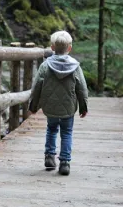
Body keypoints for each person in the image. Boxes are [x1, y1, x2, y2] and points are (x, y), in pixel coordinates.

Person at [29, 30, 89, 175]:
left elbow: (36, 86)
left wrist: (33, 105)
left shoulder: (45, 66)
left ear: (52, 47)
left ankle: (49, 156)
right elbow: (82, 88)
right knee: (67, 133)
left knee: (51, 129)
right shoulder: (76, 67)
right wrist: (83, 106)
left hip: (50, 106)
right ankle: (65, 163)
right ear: (69, 48)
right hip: (68, 107)